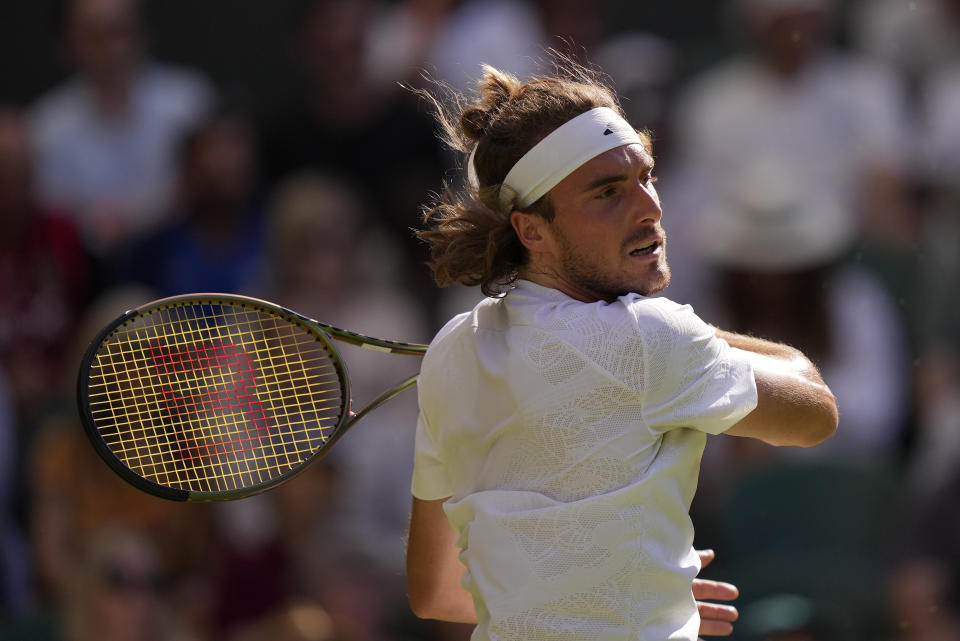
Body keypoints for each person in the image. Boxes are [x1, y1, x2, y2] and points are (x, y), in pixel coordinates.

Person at [405, 60, 838, 641]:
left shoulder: (449, 352)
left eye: (646, 176)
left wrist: (616, 591)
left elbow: (435, 591)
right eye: (608, 192)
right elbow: (814, 410)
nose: (649, 207)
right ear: (530, 229)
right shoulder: (650, 337)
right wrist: (677, 329)